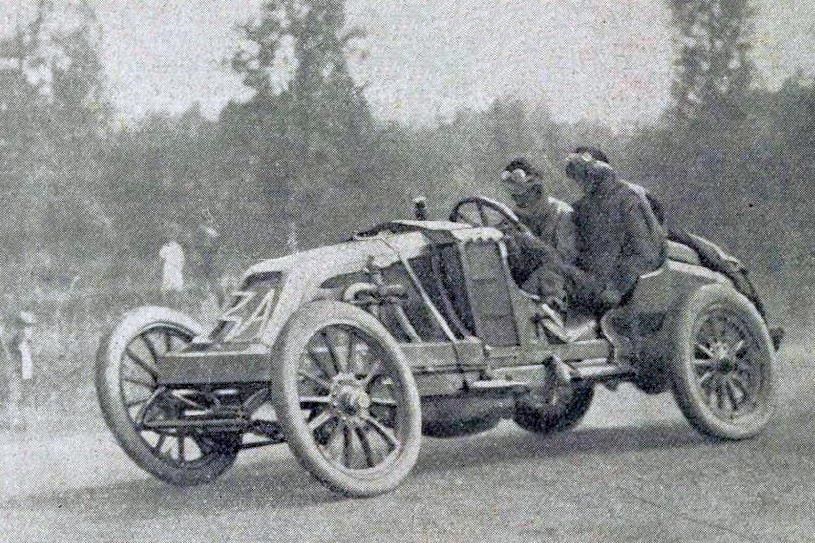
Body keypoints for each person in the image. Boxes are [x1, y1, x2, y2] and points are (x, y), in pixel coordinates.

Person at [564, 147, 667, 315]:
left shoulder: (627, 199)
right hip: (590, 288)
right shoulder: (580, 209)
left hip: (625, 294)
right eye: (576, 176)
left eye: (584, 173)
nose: (580, 181)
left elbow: (645, 252)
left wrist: (615, 288)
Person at [499, 158, 576, 312]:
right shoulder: (514, 216)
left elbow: (565, 263)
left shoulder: (563, 214)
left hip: (557, 285)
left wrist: (532, 242)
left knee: (547, 277)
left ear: (536, 190)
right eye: (514, 197)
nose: (518, 202)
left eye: (522, 196)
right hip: (526, 281)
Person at [195, 208, 223, 303]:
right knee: (211, 279)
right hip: (209, 256)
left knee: (210, 279)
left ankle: (211, 297)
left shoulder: (203, 229)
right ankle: (213, 297)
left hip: (208, 256)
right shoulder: (208, 230)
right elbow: (216, 243)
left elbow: (201, 245)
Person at [159, 224, 186, 304]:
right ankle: (165, 302)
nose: (172, 237)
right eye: (170, 235)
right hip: (169, 267)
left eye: (173, 234)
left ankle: (177, 303)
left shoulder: (178, 247)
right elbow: (161, 257)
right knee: (167, 285)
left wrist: (180, 267)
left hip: (176, 268)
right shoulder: (166, 246)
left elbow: (182, 259)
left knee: (177, 286)